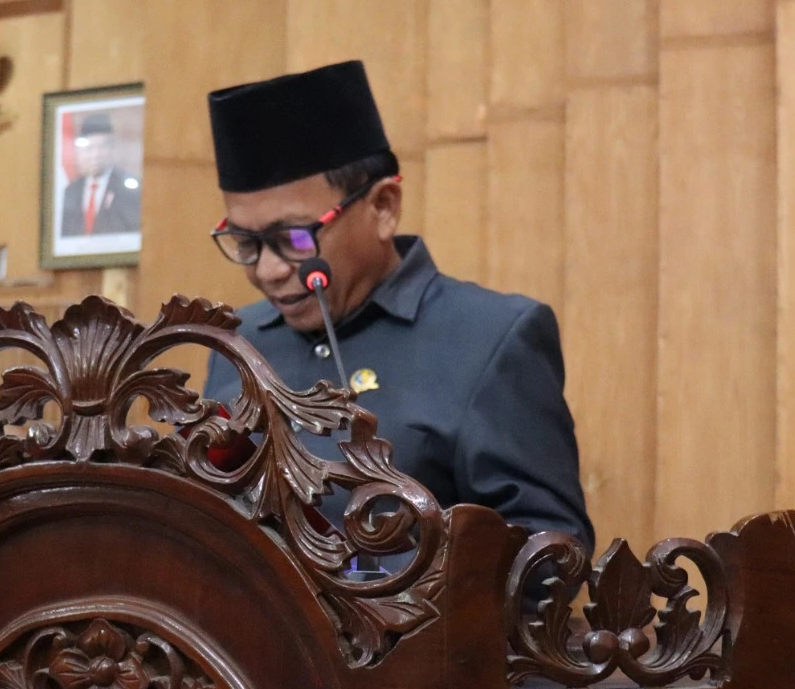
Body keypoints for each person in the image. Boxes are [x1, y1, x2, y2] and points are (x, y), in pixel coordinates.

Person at [201, 60, 594, 548]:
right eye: (245, 242)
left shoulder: (490, 338)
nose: (267, 270)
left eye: (294, 238)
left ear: (383, 207)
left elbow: (550, 554)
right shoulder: (236, 341)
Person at [60, 112, 141, 237]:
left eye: (101, 147)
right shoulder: (69, 192)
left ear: (111, 149)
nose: (95, 155)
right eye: (89, 148)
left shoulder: (131, 189)